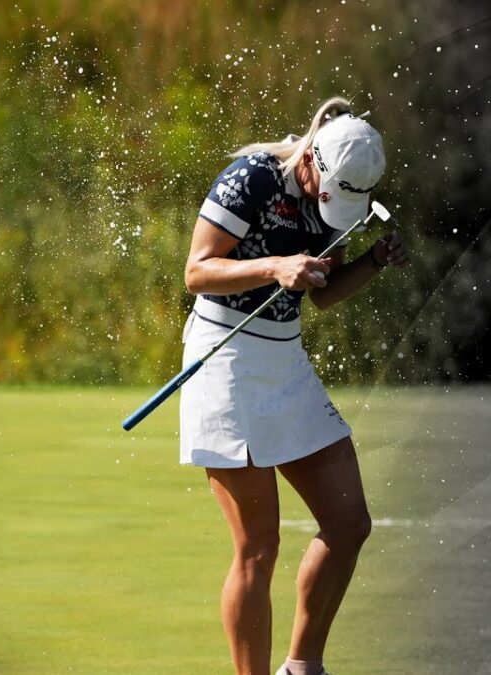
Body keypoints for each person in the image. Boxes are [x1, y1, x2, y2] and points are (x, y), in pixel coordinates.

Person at [180, 97, 408, 675]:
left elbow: (323, 295)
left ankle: (303, 667)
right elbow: (197, 272)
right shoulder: (252, 178)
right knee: (259, 547)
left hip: (284, 360)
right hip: (224, 357)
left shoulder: (340, 199)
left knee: (349, 524)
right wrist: (274, 266)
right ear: (310, 159)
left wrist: (373, 262)